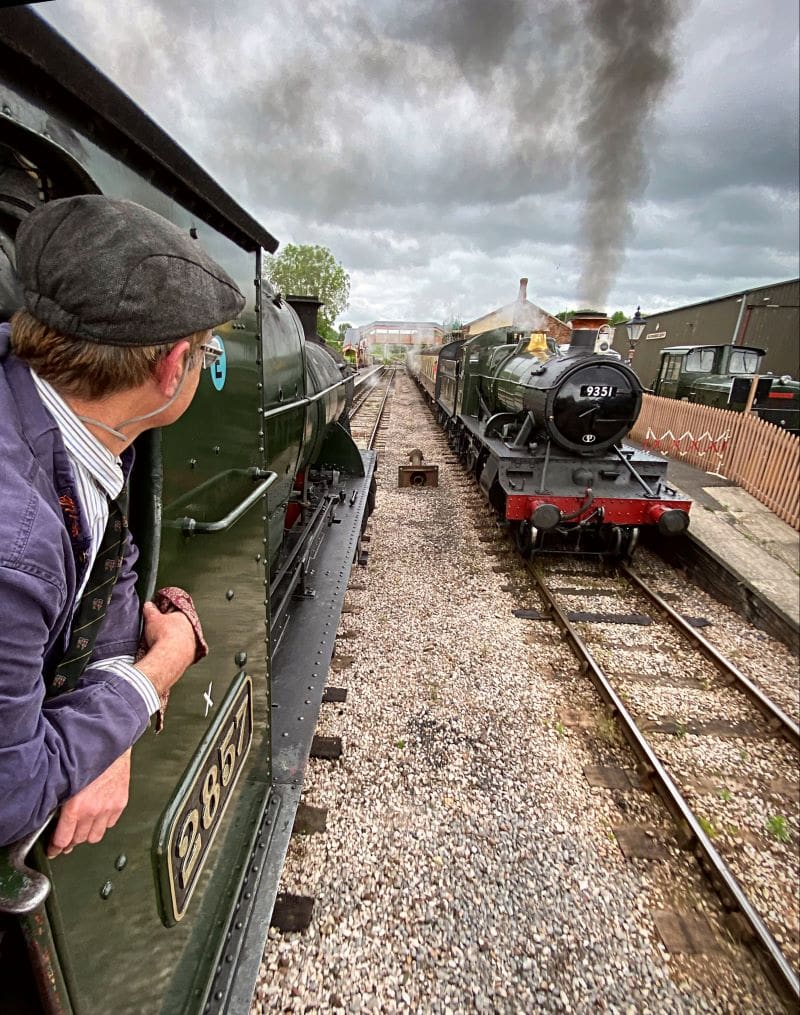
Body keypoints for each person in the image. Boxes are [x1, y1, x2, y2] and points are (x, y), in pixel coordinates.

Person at [0, 194, 245, 856]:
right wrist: (161, 665)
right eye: (204, 351)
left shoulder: (73, 419)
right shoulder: (15, 544)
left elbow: (115, 558)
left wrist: (108, 722)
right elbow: (11, 797)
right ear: (171, 369)